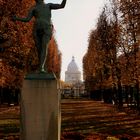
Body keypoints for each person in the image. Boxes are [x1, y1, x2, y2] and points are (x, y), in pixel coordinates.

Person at [13, 0, 67, 73]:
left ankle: (41, 67)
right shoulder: (33, 8)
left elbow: (61, 6)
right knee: (39, 49)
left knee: (44, 47)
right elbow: (27, 19)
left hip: (47, 29)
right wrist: (17, 18)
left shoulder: (48, 5)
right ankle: (42, 66)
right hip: (36, 30)